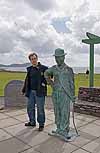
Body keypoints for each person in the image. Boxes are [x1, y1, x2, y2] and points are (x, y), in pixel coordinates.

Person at [44, 48, 75, 139]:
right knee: (57, 111)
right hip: (56, 93)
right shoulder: (54, 68)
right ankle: (58, 128)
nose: (57, 59)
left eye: (59, 57)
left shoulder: (68, 69)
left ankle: (64, 129)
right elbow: (46, 73)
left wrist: (73, 95)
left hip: (65, 94)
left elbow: (72, 83)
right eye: (56, 57)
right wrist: (51, 83)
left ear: (63, 57)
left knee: (65, 112)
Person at [22, 53, 48, 131]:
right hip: (31, 92)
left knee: (40, 109)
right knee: (30, 108)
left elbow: (49, 77)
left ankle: (41, 124)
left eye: (34, 58)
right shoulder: (29, 69)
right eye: (32, 59)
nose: (33, 60)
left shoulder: (44, 68)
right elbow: (27, 80)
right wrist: (24, 90)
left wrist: (45, 83)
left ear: (37, 58)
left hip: (40, 92)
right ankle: (32, 122)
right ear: (30, 60)